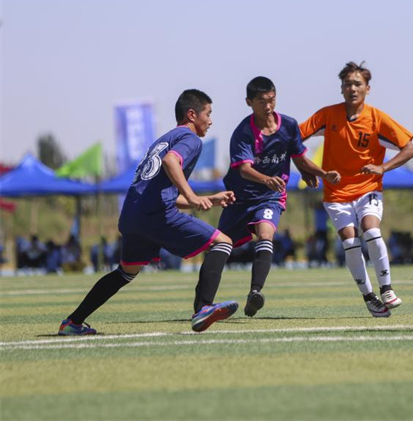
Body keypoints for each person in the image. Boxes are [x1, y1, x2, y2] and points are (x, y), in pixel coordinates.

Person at [58, 89, 238, 335]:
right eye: (208, 114)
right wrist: (193, 197)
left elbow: (161, 191)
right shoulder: (191, 139)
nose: (211, 120)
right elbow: (171, 162)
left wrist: (207, 199)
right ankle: (203, 308)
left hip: (132, 215)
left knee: (125, 272)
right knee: (223, 242)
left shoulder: (163, 140)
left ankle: (73, 322)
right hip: (156, 215)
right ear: (192, 114)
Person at [299, 61, 413, 318]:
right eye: (347, 84)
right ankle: (369, 297)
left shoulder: (377, 118)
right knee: (351, 242)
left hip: (368, 189)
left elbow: (410, 149)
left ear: (368, 88)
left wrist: (383, 168)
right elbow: (293, 141)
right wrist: (306, 169)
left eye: (357, 84)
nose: (352, 88)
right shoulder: (327, 115)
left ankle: (386, 289)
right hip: (336, 194)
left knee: (371, 230)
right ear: (341, 88)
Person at [219, 76, 335, 317]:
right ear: (249, 102)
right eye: (262, 101)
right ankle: (202, 303)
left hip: (270, 197)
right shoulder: (243, 131)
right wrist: (266, 179)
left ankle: (255, 292)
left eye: (272, 100)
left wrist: (323, 174)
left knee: (266, 234)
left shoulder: (289, 125)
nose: (268, 106)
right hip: (240, 198)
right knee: (220, 245)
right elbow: (244, 170)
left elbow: (299, 158)